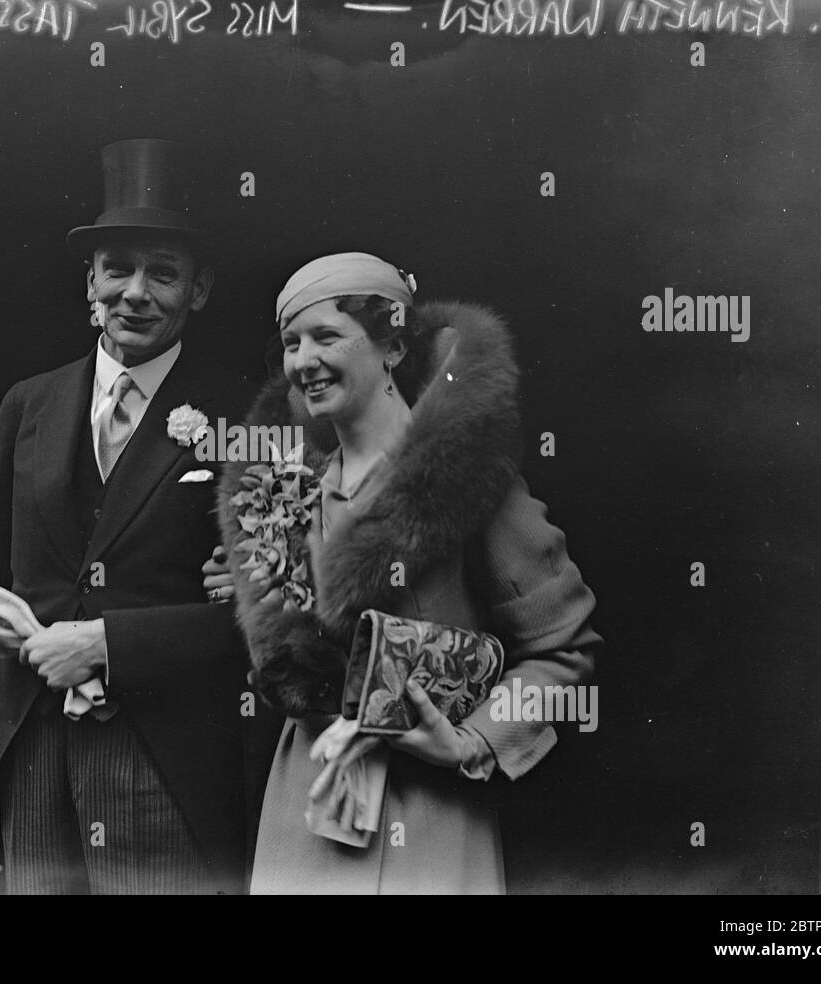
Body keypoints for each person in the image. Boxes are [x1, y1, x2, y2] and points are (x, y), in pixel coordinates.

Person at [214, 252, 602, 894]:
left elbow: (565, 649)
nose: (302, 360)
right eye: (290, 342)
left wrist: (471, 742)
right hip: (308, 796)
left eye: (326, 336)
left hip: (427, 813)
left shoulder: (469, 482)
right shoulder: (283, 488)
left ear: (392, 346)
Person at [0, 139, 261, 894]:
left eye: (164, 273)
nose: (136, 293)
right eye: (117, 268)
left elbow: (261, 613)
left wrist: (108, 642)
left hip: (164, 761)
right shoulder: (29, 404)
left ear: (200, 290)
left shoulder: (244, 416)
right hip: (31, 756)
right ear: (90, 279)